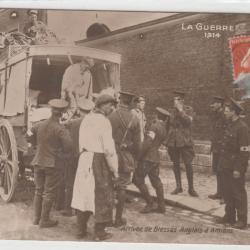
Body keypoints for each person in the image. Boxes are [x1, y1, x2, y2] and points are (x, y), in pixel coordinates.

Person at [71, 94, 118, 241]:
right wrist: (114, 170)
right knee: (101, 195)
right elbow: (109, 150)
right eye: (111, 105)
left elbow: (80, 142)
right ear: (102, 105)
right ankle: (99, 233)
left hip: (84, 158)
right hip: (98, 161)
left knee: (83, 194)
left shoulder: (87, 119)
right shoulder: (104, 122)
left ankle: (80, 230)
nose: (112, 108)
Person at [27, 99, 73, 228]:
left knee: (38, 191)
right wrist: (60, 152)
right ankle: (44, 220)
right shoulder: (60, 129)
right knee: (49, 192)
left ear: (51, 110)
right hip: (52, 165)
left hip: (38, 161)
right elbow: (69, 146)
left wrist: (36, 145)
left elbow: (28, 134)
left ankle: (36, 218)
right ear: (63, 113)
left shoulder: (39, 125)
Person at [108, 91, 141, 227]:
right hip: (125, 157)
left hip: (109, 155)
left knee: (108, 186)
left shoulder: (111, 116)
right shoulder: (135, 119)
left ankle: (106, 218)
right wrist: (135, 158)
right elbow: (137, 144)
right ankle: (118, 220)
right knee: (122, 188)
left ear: (119, 100)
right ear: (131, 102)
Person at [216, 98, 249, 230]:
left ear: (234, 112)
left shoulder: (242, 128)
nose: (224, 112)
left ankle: (242, 219)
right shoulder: (230, 125)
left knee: (238, 192)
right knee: (227, 191)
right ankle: (229, 216)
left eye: (227, 110)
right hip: (225, 165)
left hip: (235, 167)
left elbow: (245, 151)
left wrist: (238, 169)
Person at [60, 98, 95, 217]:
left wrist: (71, 116)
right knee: (85, 183)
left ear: (79, 110)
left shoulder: (73, 123)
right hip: (86, 157)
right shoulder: (93, 123)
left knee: (70, 182)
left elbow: (62, 125)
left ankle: (68, 209)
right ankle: (82, 209)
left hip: (72, 156)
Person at [133, 107, 169, 213]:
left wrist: (139, 156)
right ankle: (161, 206)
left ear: (157, 115)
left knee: (137, 179)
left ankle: (150, 203)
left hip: (147, 158)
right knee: (156, 181)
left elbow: (147, 143)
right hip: (155, 158)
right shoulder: (164, 128)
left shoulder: (154, 126)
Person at [166, 91, 198, 197]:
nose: (175, 101)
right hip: (173, 142)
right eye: (174, 99)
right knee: (175, 164)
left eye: (177, 99)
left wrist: (180, 110)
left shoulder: (189, 110)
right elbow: (168, 125)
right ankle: (178, 186)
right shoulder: (171, 111)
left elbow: (188, 122)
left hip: (185, 142)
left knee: (188, 165)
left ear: (182, 101)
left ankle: (191, 188)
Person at [208, 96, 226, 200]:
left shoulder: (224, 116)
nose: (212, 105)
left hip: (222, 148)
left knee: (223, 171)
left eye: (214, 103)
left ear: (219, 104)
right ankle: (219, 193)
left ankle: (224, 195)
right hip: (216, 147)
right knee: (218, 171)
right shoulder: (215, 115)